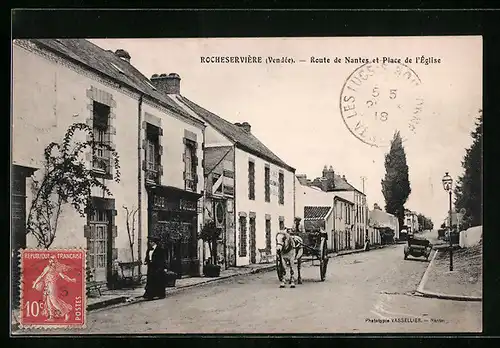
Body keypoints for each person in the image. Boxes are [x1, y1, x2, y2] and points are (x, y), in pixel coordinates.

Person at [32, 256, 76, 321]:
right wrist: (35, 283)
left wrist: (71, 280)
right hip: (47, 286)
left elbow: (63, 276)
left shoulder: (57, 269)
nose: (51, 262)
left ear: (55, 262)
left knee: (54, 301)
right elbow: (41, 276)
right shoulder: (47, 268)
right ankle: (51, 317)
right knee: (48, 302)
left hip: (52, 286)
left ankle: (66, 313)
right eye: (50, 260)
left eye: (53, 261)